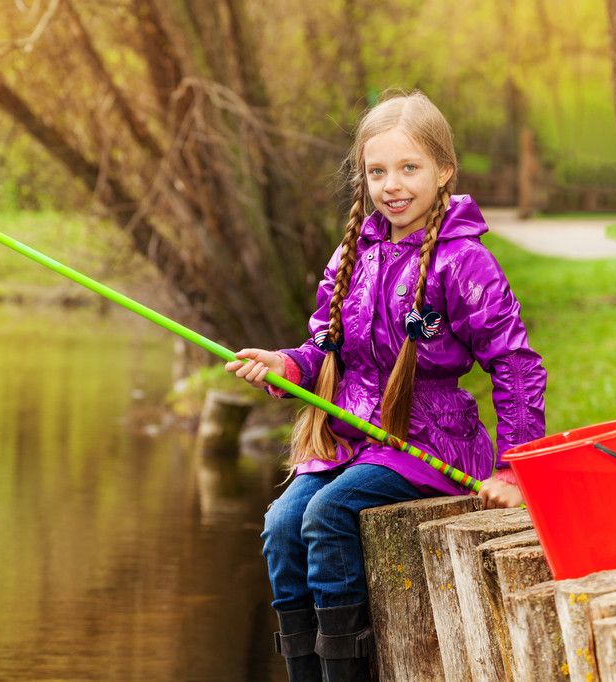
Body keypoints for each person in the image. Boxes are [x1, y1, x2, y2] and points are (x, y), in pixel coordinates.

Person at [224, 91, 546, 682]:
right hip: (352, 434)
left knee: (326, 516)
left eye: (408, 168)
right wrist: (283, 365)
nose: (392, 185)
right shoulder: (353, 255)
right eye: (377, 171)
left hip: (429, 439)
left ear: (443, 171)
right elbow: (324, 349)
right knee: (279, 527)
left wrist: (514, 470)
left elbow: (516, 365)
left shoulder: (465, 262)